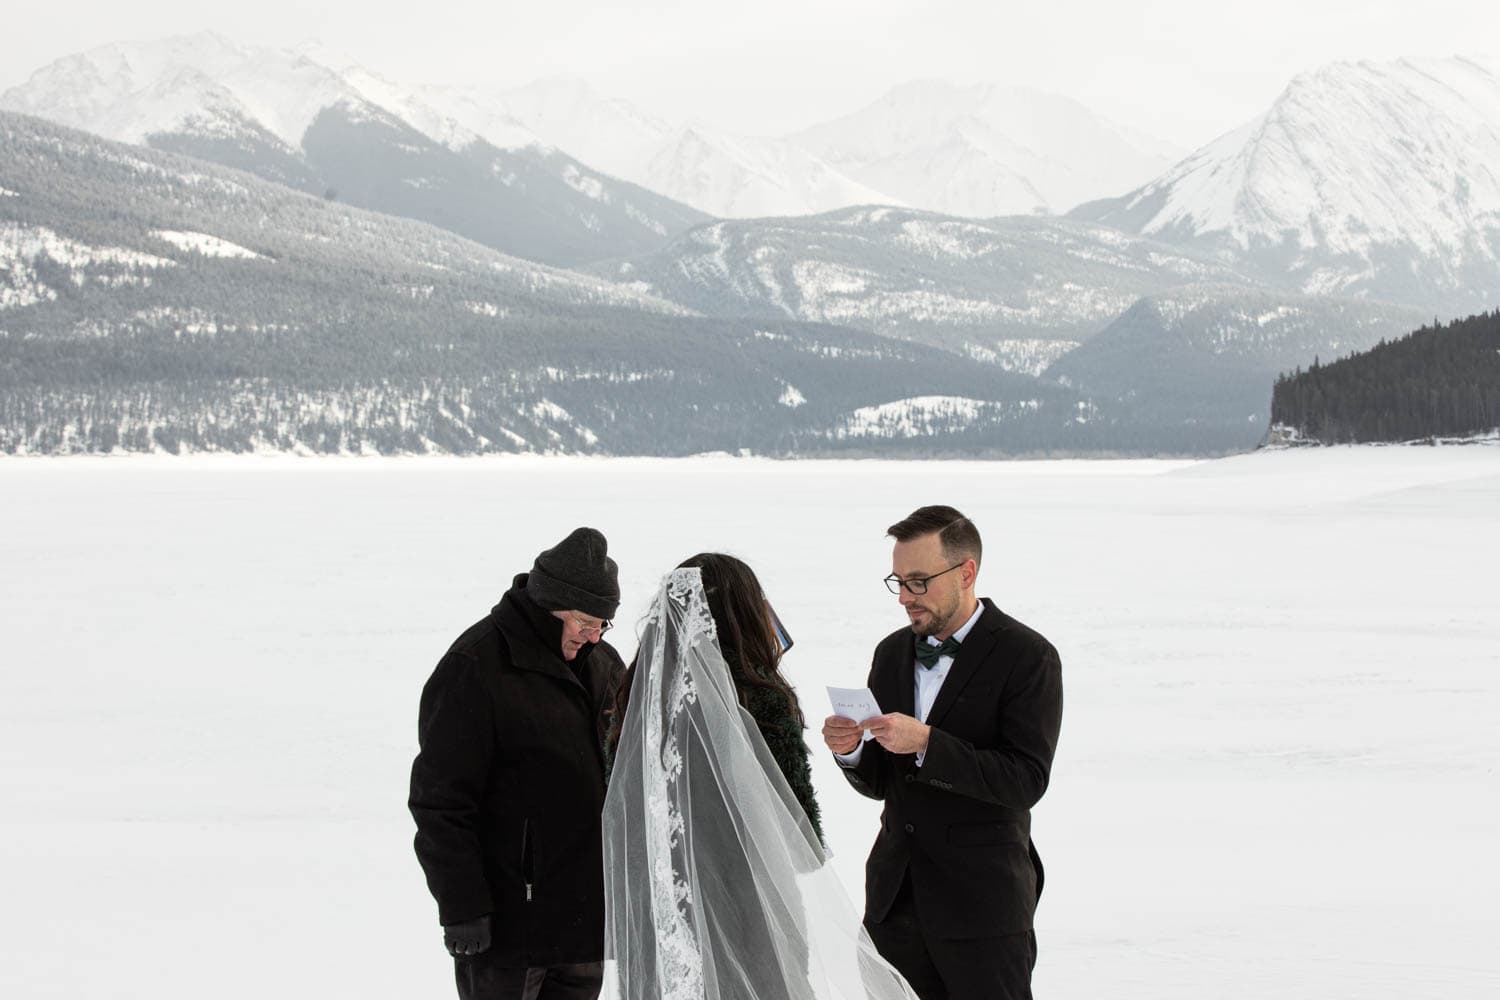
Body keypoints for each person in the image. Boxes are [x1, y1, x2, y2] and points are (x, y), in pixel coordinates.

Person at [603, 555, 918, 1000]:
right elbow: (798, 835)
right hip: (751, 910)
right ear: (745, 611)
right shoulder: (759, 694)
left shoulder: (639, 695)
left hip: (661, 913)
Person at [822, 506, 1063, 1000]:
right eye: (898, 582)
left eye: (919, 581)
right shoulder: (891, 653)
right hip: (894, 903)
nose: (906, 598)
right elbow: (884, 782)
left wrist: (928, 743)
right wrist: (852, 754)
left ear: (966, 572)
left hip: (984, 909)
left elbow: (1025, 781)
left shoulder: (1028, 656)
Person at [409, 527, 626, 1000]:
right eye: (585, 623)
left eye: (602, 625)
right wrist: (462, 904)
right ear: (552, 609)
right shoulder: (476, 667)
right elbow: (440, 802)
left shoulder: (604, 663)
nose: (594, 636)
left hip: (585, 920)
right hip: (508, 927)